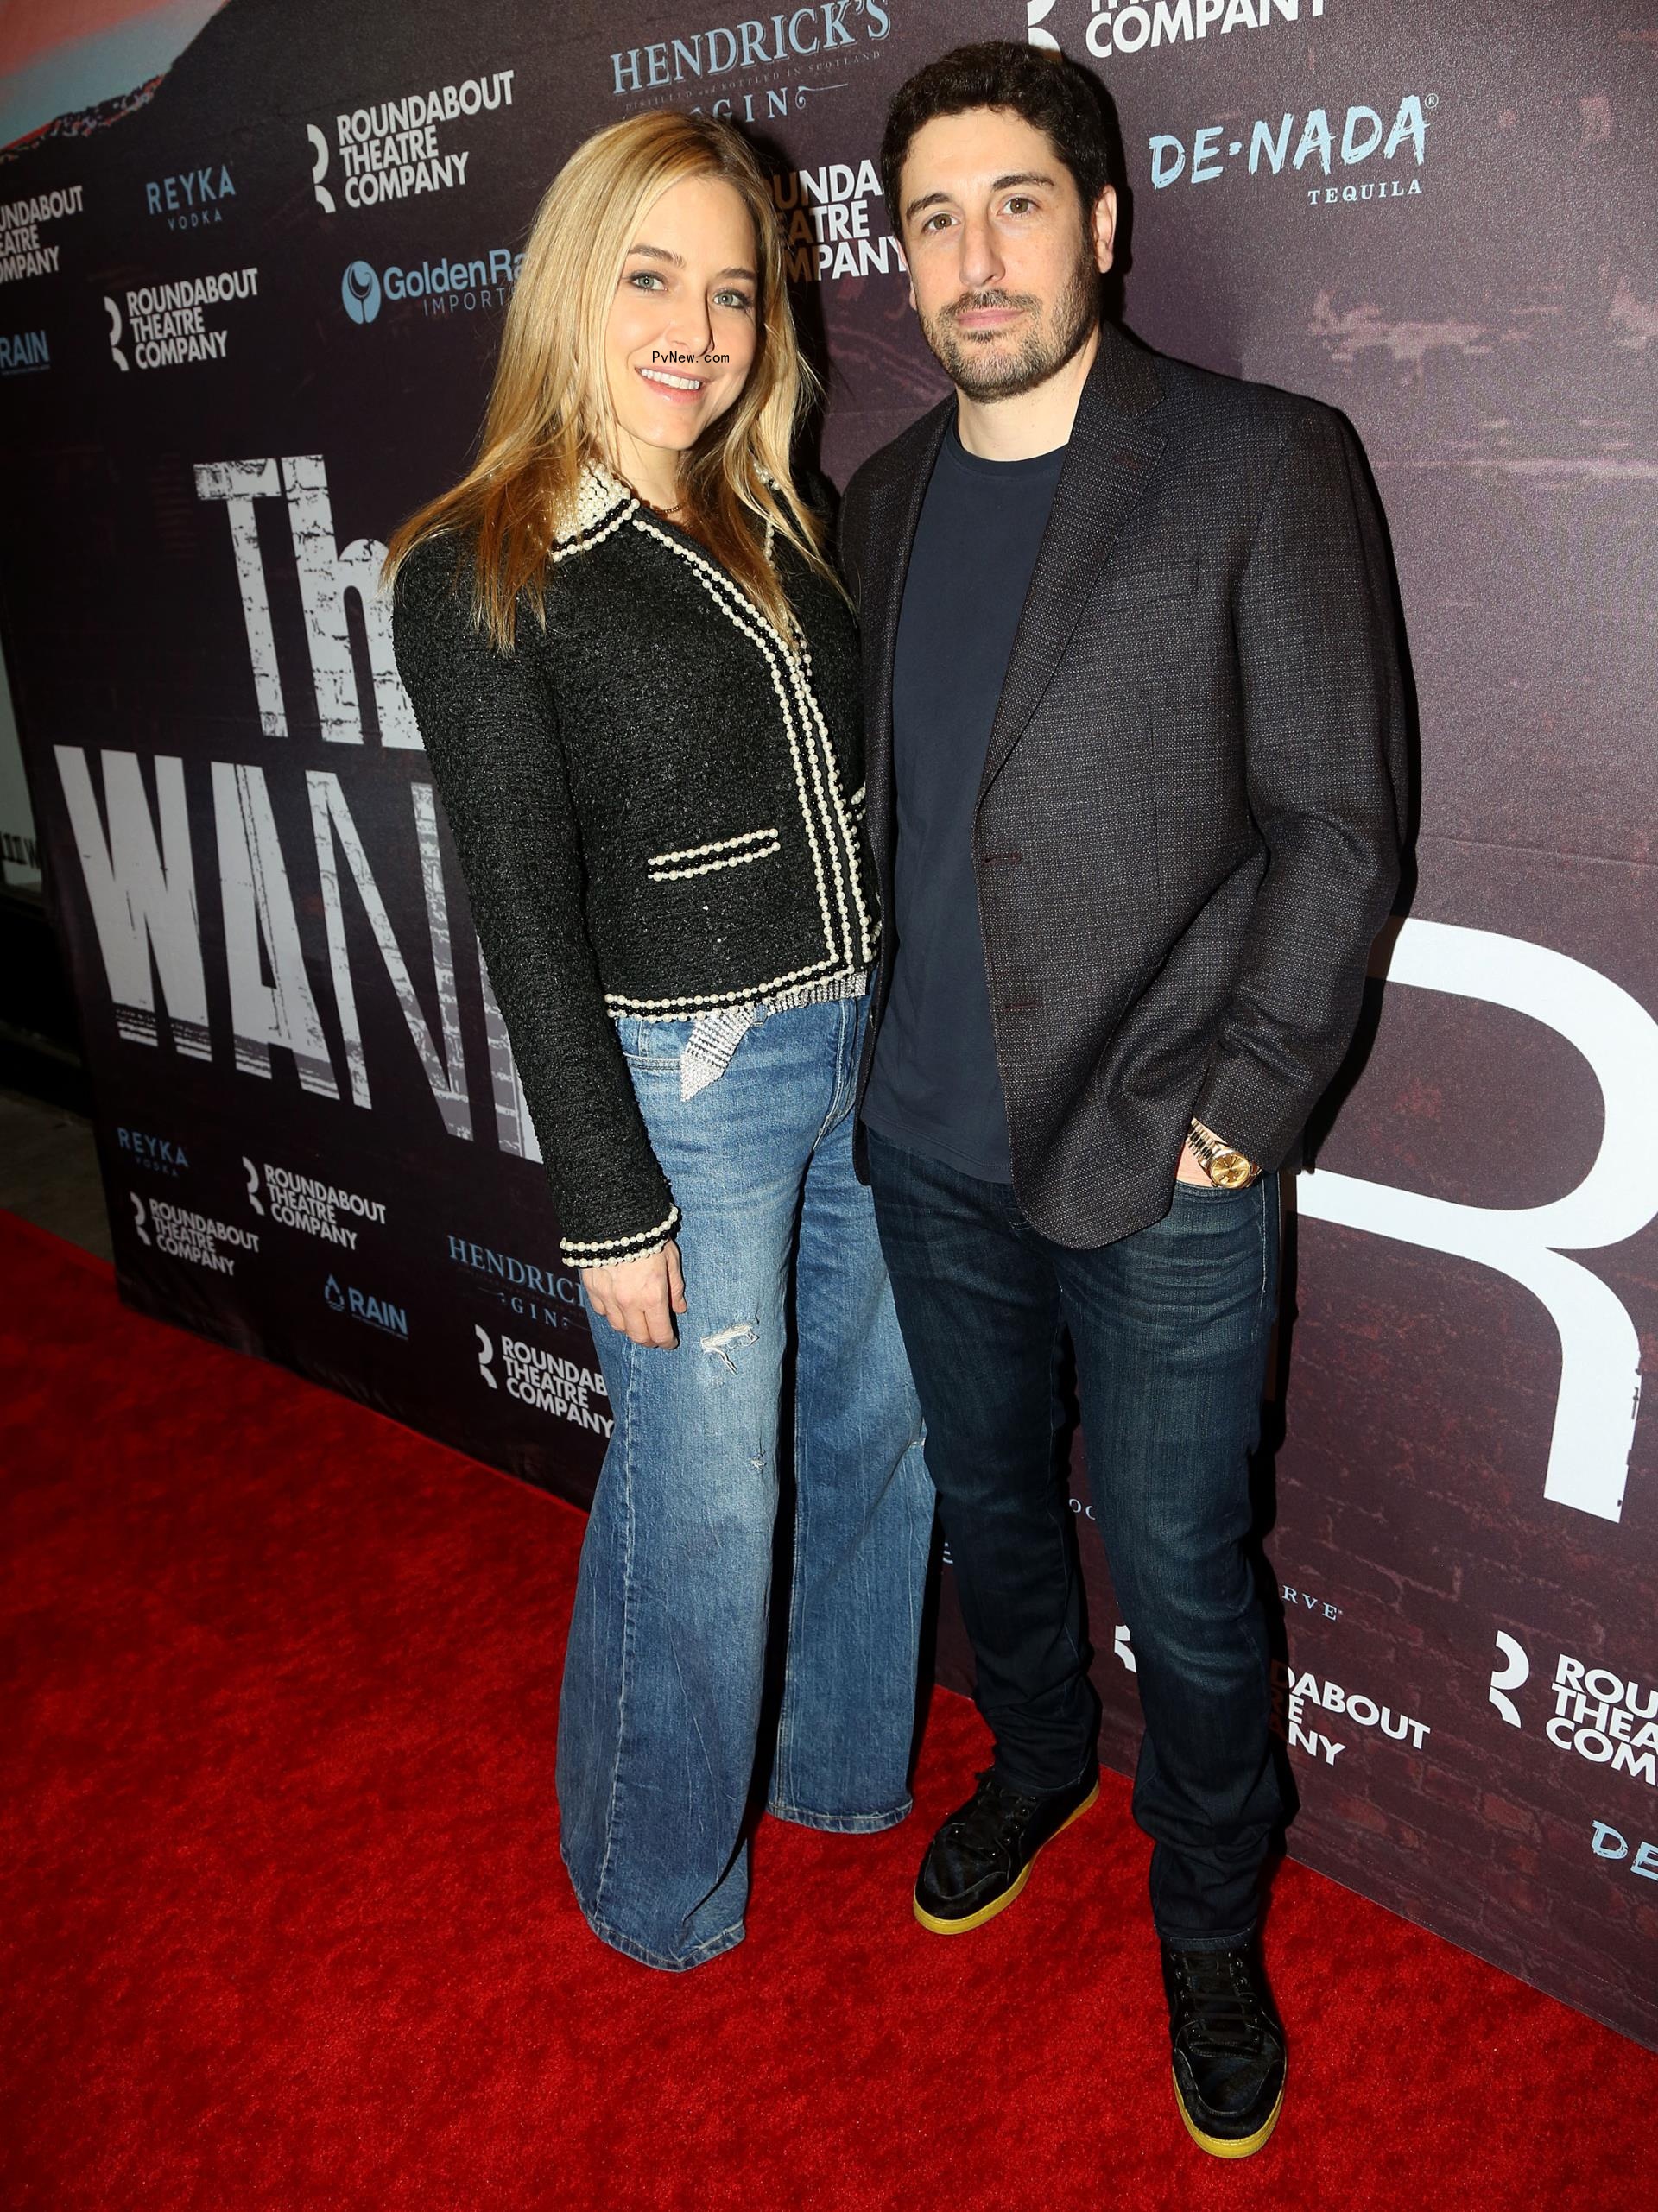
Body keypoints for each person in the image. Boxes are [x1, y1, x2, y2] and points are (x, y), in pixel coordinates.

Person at [838, 44, 1406, 2157]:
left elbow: (1338, 826)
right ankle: (1039, 1756)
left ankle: (1210, 1930)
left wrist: (1241, 1113)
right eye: (930, 221)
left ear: (1105, 221)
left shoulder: (1260, 463)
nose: (973, 261)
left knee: (1185, 1576)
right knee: (995, 1525)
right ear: (899, 261)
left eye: (1014, 205)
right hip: (924, 1157)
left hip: (1165, 1174)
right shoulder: (878, 507)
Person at [387, 110, 931, 1974]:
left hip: (872, 1045)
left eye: (732, 288)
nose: (696, 328)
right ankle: (653, 1879)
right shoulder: (480, 566)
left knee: (879, 1431)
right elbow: (523, 912)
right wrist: (605, 1201)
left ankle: (839, 1770)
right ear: (571, 287)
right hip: (688, 1094)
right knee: (705, 1506)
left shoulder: (780, 515)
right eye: (651, 279)